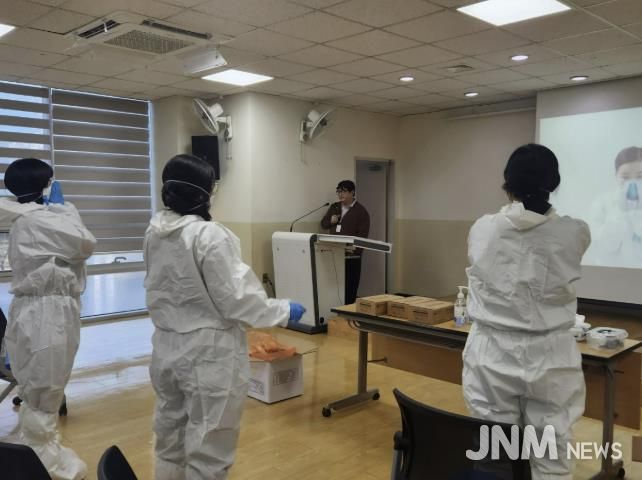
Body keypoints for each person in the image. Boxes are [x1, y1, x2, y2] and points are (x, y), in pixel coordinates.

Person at [144, 154, 306, 480]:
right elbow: (237, 301)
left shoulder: (155, 232)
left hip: (166, 348)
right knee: (210, 444)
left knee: (170, 436)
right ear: (203, 192)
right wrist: (282, 310)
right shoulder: (209, 235)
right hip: (208, 354)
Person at [462, 144, 591, 480]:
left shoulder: (484, 228)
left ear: (508, 183)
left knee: (494, 455)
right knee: (551, 456)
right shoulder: (575, 231)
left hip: (491, 353)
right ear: (554, 182)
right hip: (551, 357)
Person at [0, 157, 96, 480]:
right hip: (47, 314)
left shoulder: (28, 218)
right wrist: (64, 210)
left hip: (37, 310)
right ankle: (44, 465)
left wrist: (59, 210)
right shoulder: (40, 220)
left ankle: (38, 451)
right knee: (45, 389)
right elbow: (84, 243)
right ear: (43, 185)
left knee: (40, 390)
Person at [585, 146, 642, 268]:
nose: (632, 182)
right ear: (616, 176)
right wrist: (621, 213)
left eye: (640, 176)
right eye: (625, 177)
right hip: (609, 274)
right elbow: (600, 246)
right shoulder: (601, 203)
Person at [320, 180, 370, 304]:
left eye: (343, 191)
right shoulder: (335, 207)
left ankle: (348, 311)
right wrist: (331, 221)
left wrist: (354, 251)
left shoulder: (361, 211)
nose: (340, 194)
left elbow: (363, 236)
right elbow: (323, 224)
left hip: (351, 256)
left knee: (349, 287)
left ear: (352, 192)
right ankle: (334, 309)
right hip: (334, 253)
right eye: (338, 191)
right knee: (334, 285)